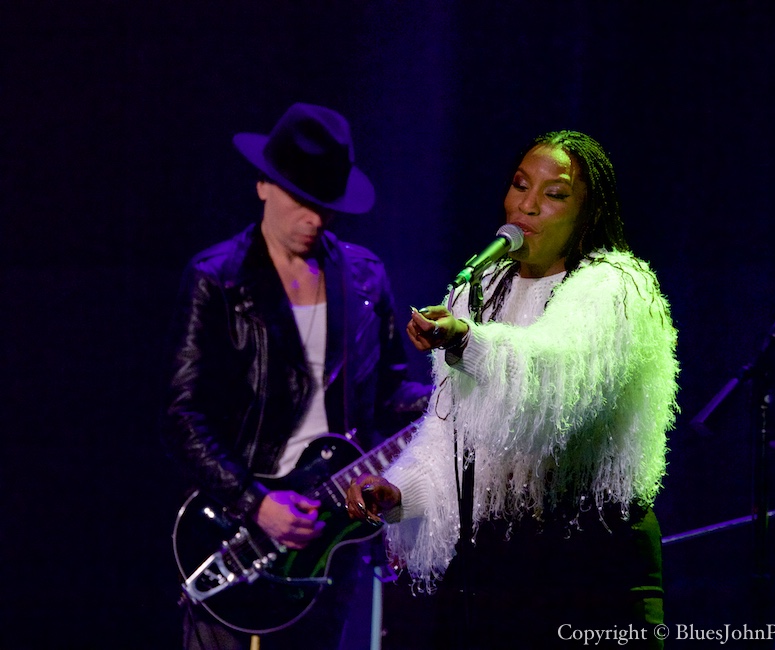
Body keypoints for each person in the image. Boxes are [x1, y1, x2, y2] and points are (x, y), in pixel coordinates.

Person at [347, 130, 680, 648]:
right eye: (520, 185)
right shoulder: (479, 292)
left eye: (555, 194)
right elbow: (450, 432)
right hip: (503, 571)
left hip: (592, 566)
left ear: (586, 213)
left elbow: (553, 393)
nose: (527, 204)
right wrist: (399, 491)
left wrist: (468, 343)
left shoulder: (615, 288)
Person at [162, 103, 428, 650]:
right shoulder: (217, 278)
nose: (314, 218)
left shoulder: (363, 277)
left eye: (325, 205)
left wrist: (450, 395)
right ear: (263, 184)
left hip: (332, 531)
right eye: (301, 200)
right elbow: (182, 415)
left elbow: (389, 395)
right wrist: (256, 502)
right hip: (235, 527)